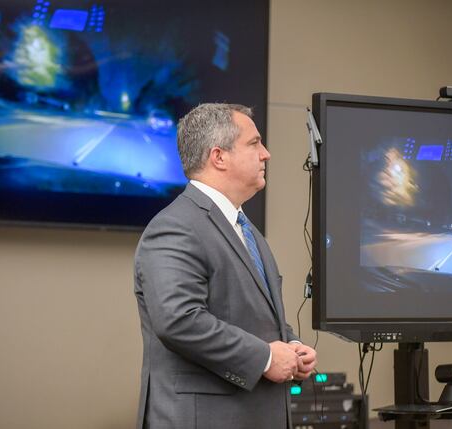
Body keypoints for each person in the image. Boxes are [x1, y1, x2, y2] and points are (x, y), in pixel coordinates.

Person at [133, 103, 317, 429]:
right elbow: (179, 320)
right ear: (219, 157)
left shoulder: (247, 230)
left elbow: (255, 318)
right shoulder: (175, 227)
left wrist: (291, 347)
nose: (266, 154)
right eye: (254, 143)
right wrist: (266, 357)